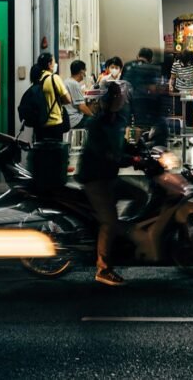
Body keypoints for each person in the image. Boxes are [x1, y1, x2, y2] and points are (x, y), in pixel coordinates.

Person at [76, 81, 137, 287]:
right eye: (115, 95)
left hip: (110, 177)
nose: (119, 98)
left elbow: (122, 144)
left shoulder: (118, 119)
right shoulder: (96, 123)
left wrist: (141, 149)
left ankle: (122, 236)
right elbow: (105, 153)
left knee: (140, 195)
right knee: (109, 220)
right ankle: (103, 268)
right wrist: (129, 159)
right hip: (95, 179)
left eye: (120, 95)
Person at [123, 47, 167, 145]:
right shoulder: (151, 68)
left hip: (127, 103)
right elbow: (153, 88)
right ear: (150, 59)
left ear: (138, 56)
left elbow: (122, 84)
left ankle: (131, 146)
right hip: (145, 104)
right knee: (157, 126)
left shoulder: (128, 66)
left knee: (132, 128)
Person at [30, 52, 71, 141]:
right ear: (49, 64)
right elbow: (68, 99)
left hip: (40, 124)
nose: (55, 64)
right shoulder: (54, 78)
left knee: (42, 152)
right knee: (55, 152)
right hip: (54, 123)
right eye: (54, 62)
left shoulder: (37, 78)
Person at [64, 60, 95, 129]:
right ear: (82, 72)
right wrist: (93, 116)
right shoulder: (74, 84)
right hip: (75, 120)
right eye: (85, 71)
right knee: (97, 122)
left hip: (67, 118)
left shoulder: (66, 81)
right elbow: (82, 107)